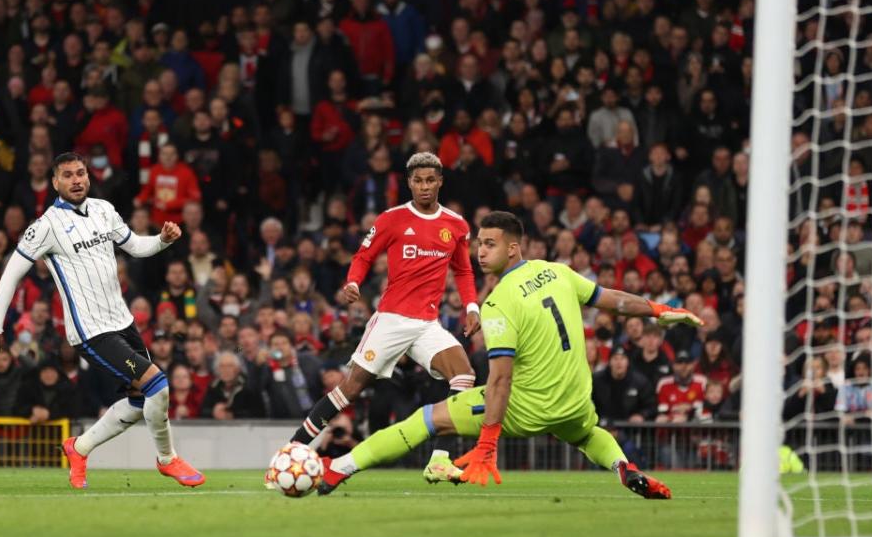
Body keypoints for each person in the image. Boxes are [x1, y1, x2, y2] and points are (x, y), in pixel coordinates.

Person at [318, 211, 703, 497]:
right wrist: (658, 309)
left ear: (513, 248)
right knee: (586, 435)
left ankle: (338, 468)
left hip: (525, 405)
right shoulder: (558, 272)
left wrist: (487, 444)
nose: (479, 253)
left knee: (425, 420)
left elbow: (500, 378)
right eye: (478, 244)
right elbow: (614, 300)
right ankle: (623, 466)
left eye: (490, 245)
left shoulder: (498, 303)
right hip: (574, 400)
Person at [0, 152, 204, 489]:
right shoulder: (45, 226)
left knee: (140, 400)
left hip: (122, 321)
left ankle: (78, 447)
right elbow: (11, 273)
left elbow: (135, 246)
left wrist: (161, 240)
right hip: (90, 330)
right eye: (67, 175)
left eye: (80, 173)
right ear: (55, 182)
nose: (76, 180)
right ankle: (167, 460)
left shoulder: (103, 209)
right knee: (158, 384)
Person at [285, 152, 481, 485]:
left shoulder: (456, 225)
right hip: (390, 320)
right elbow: (364, 255)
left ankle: (439, 460)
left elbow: (462, 270)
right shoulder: (391, 219)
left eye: (430, 180)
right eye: (418, 181)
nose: (424, 187)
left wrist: (472, 306)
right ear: (409, 183)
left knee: (463, 375)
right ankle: (290, 452)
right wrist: (352, 282)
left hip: (427, 325)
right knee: (349, 390)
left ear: (440, 182)